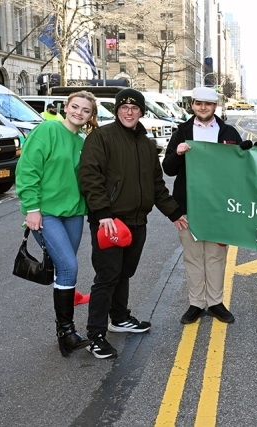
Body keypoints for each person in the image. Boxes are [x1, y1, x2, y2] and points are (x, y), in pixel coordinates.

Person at [79, 88, 185, 359]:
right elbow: (90, 177)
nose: (129, 112)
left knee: (124, 273)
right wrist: (102, 213)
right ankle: (95, 335)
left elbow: (156, 185)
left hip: (137, 221)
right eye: (124, 107)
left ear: (141, 111)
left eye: (134, 108)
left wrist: (174, 213)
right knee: (107, 276)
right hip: (110, 222)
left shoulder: (148, 145)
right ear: (117, 110)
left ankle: (120, 317)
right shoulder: (101, 138)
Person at [16, 91, 99, 357]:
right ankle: (67, 332)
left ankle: (65, 330)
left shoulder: (83, 141)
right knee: (68, 266)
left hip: (73, 213)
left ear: (90, 116)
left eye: (85, 110)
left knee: (65, 269)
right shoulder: (48, 130)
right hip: (46, 213)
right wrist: (32, 208)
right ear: (65, 107)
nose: (79, 113)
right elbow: (28, 169)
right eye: (75, 107)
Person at [162, 87, 246, 325]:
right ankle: (197, 303)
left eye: (208, 104)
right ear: (192, 105)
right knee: (193, 256)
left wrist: (244, 153)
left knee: (216, 256)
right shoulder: (182, 131)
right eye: (198, 103)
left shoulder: (229, 132)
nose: (203, 108)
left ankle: (216, 302)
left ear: (215, 107)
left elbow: (241, 169)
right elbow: (168, 168)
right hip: (189, 204)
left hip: (220, 206)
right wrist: (177, 154)